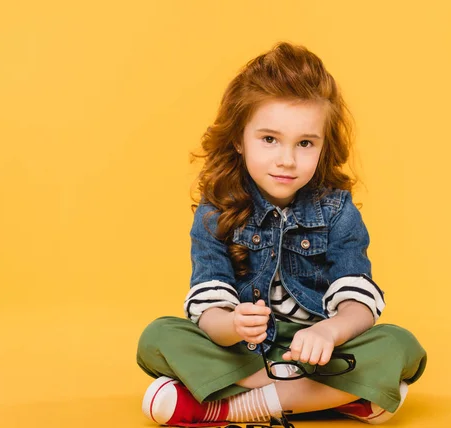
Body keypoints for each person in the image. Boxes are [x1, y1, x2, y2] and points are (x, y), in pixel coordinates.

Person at [136, 41, 427, 427]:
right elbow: (209, 307)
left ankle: (227, 407)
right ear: (239, 139)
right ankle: (342, 396)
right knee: (159, 337)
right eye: (269, 139)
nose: (287, 159)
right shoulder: (214, 212)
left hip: (320, 353)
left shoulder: (337, 210)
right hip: (245, 352)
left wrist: (329, 330)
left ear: (323, 148)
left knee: (400, 346)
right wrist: (232, 324)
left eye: (305, 143)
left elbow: (358, 296)